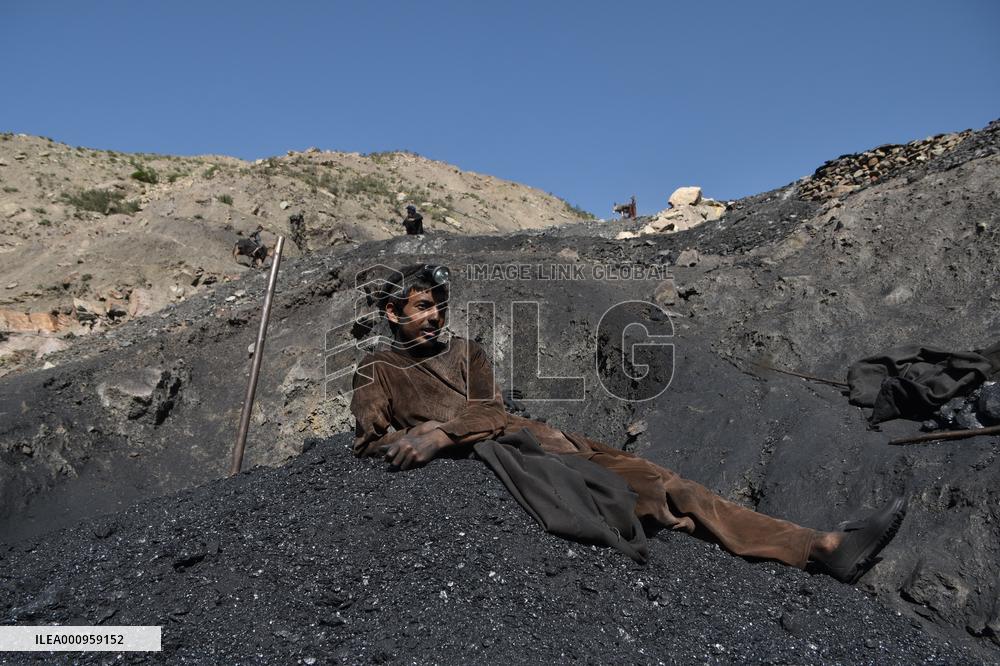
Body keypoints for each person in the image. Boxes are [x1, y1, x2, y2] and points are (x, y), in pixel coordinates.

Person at [349, 264, 907, 584]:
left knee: (669, 482)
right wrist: (408, 442)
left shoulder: (465, 351)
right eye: (422, 307)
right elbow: (371, 438)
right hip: (515, 459)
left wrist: (445, 431)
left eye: (439, 306)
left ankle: (821, 545)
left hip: (541, 437)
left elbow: (491, 408)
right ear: (393, 314)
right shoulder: (376, 368)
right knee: (646, 500)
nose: (434, 316)